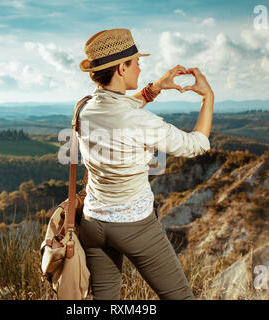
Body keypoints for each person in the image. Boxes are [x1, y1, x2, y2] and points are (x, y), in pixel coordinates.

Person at [76, 28, 214, 300]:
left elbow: (120, 110)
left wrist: (156, 88)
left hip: (93, 224)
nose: (140, 68)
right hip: (134, 225)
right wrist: (207, 98)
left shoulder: (84, 107)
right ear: (121, 68)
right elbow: (195, 144)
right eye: (136, 63)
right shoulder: (139, 120)